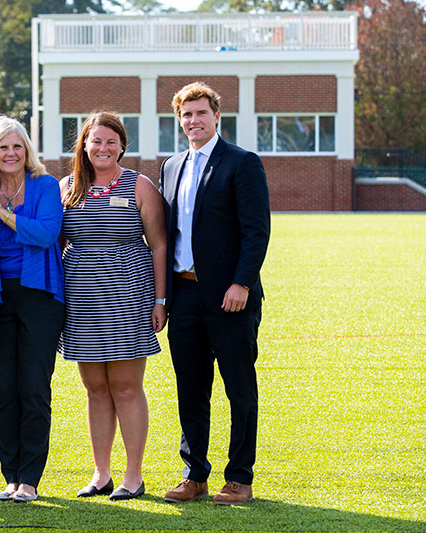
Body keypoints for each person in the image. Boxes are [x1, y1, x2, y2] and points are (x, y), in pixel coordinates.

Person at [159, 82, 270, 505]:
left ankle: (239, 477)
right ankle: (195, 474)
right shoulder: (172, 166)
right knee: (190, 387)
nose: (193, 121)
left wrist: (241, 282)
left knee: (239, 388)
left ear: (217, 115)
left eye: (200, 113)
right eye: (186, 115)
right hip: (184, 296)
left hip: (230, 297)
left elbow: (256, 230)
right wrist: (164, 297)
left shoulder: (242, 163)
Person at [58, 112, 167, 502]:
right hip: (82, 297)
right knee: (94, 387)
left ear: (122, 145)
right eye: (95, 141)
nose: (102, 148)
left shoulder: (140, 185)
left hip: (129, 295)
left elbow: (158, 245)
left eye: (110, 141)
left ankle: (133, 476)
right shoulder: (66, 187)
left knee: (125, 385)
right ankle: (101, 473)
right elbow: (56, 244)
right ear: (83, 145)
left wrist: (160, 299)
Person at [0, 116, 65, 503]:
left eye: (17, 146)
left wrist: (3, 213)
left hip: (39, 295)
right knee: (4, 391)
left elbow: (47, 234)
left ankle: (29, 477)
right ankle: (10, 475)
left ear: (26, 150)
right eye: (2, 147)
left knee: (33, 388)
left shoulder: (46, 186)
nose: (10, 153)